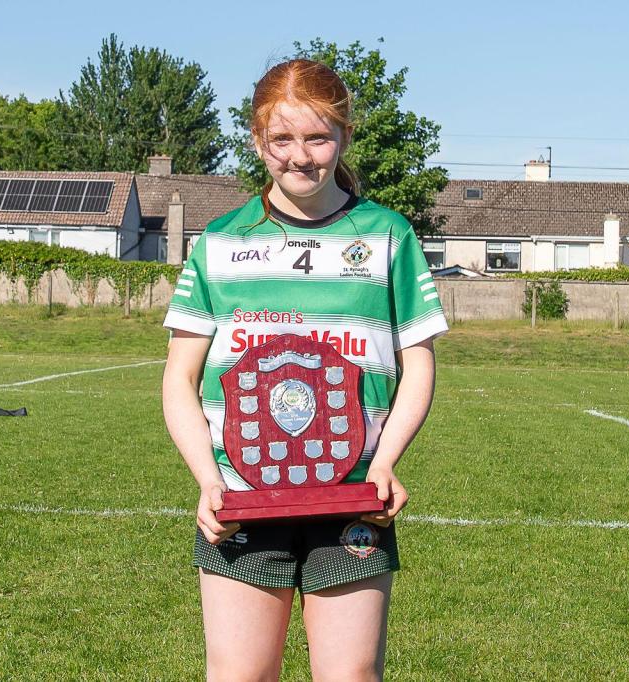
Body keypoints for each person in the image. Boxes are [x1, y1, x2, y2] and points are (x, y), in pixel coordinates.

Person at [161, 58, 447, 681]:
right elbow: (179, 380)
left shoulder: (388, 236)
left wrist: (386, 460)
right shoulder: (218, 241)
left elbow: (417, 364)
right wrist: (209, 481)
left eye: (317, 137)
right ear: (257, 141)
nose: (300, 156)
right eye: (281, 139)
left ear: (344, 137)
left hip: (351, 498)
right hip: (243, 496)